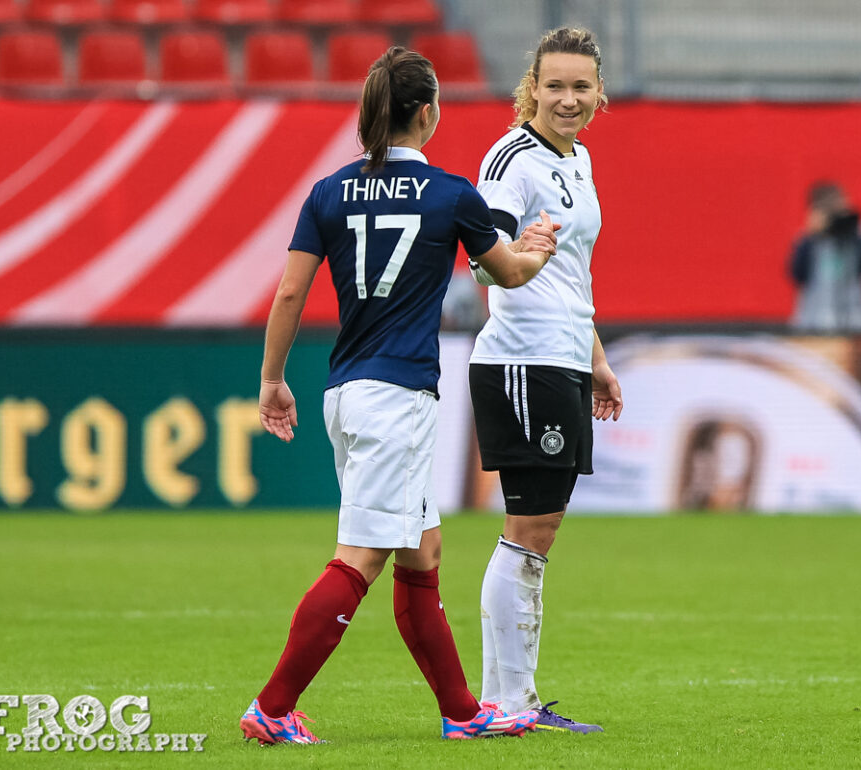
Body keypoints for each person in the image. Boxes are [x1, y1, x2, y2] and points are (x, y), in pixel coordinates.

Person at [239, 46, 560, 745]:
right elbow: (505, 275)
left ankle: (461, 712)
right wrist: (537, 246)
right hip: (398, 396)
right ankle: (271, 707)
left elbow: (291, 289)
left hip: (345, 390)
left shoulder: (327, 192)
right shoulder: (450, 194)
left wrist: (272, 380)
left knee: (423, 551)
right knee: (360, 555)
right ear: (425, 112)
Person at [467, 26, 622, 734]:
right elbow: (484, 253)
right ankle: (508, 703)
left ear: (599, 94)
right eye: (553, 86)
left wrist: (594, 357)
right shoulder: (510, 159)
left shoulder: (580, 159)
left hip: (560, 356)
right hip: (521, 359)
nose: (567, 99)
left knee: (540, 528)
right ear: (530, 88)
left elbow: (570, 274)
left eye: (579, 87)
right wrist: (517, 264)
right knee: (531, 527)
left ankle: (506, 702)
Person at [788, 181, 861, 331]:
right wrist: (812, 236)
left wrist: (850, 230)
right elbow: (798, 274)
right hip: (815, 321)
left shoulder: (857, 241)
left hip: (856, 320)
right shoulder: (809, 243)